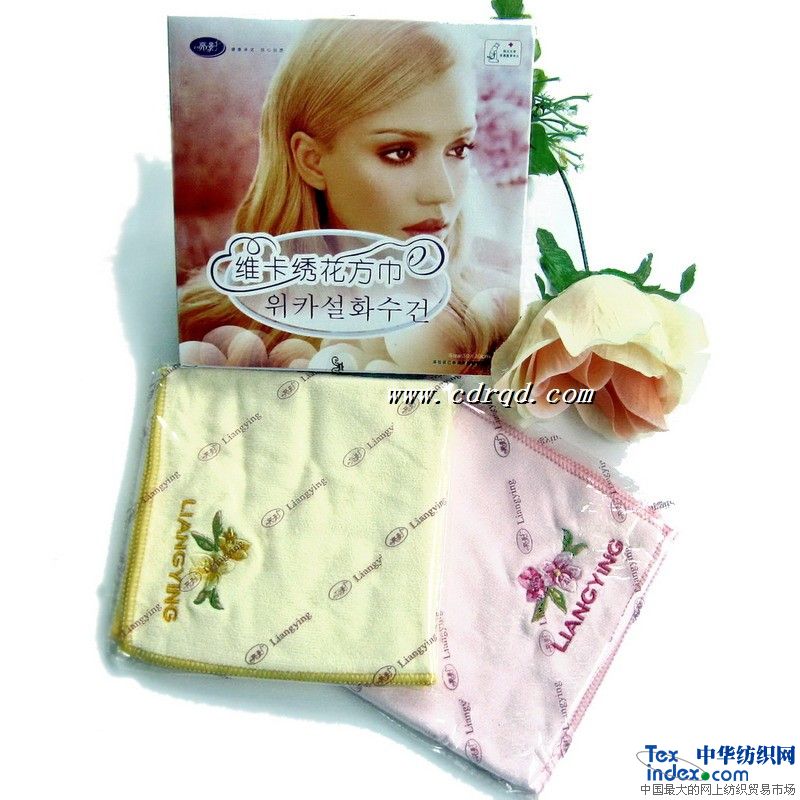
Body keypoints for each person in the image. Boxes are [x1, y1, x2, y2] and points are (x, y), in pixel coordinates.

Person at [179, 19, 512, 372]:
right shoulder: (205, 330)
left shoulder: (501, 320)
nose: (443, 191)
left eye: (459, 149)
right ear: (312, 161)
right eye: (400, 152)